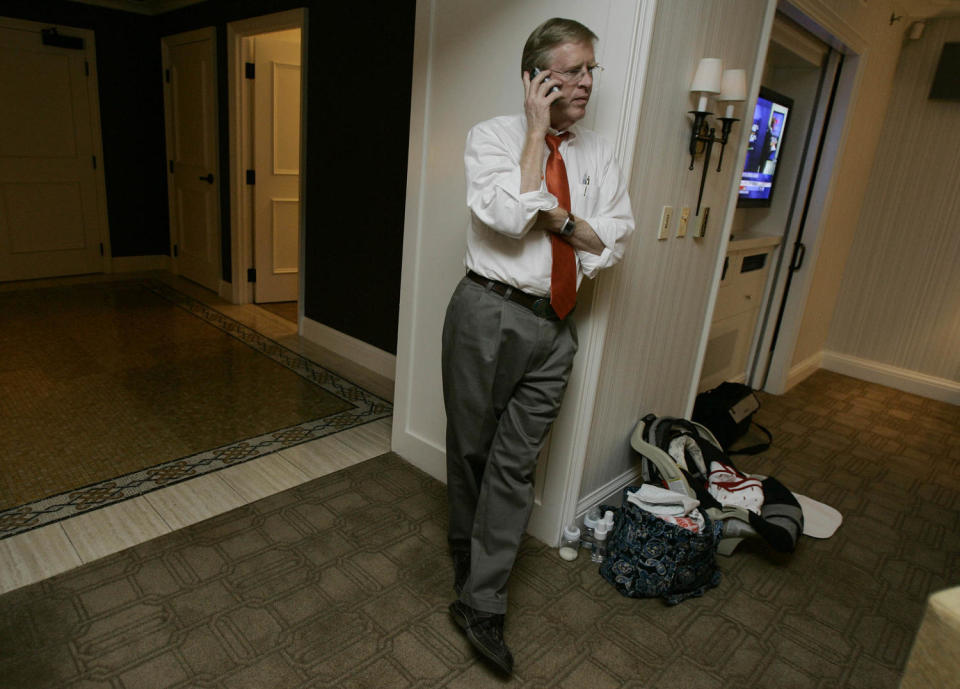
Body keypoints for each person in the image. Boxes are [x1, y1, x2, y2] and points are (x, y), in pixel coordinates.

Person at [442, 17, 635, 675]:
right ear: (536, 78)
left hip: (555, 327)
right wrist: (533, 137)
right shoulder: (491, 137)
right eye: (573, 71)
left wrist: (556, 216)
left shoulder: (600, 154)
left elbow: (614, 238)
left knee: (514, 466)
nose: (586, 82)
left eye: (590, 70)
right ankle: (465, 545)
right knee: (471, 445)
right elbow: (506, 212)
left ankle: (481, 601)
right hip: (485, 312)